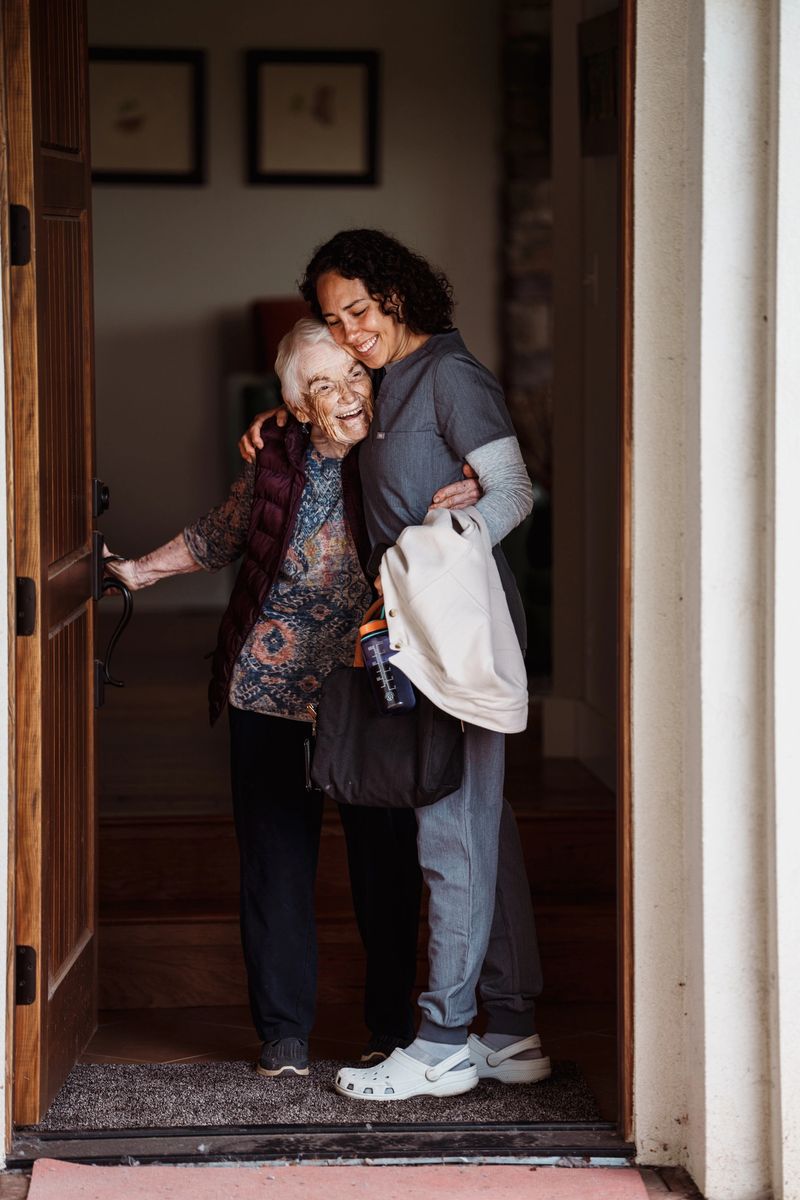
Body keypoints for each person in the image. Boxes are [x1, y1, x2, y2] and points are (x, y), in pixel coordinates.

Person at [106, 318, 480, 1080]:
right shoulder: (279, 461)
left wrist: (481, 488)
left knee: (386, 863)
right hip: (269, 687)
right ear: (297, 408)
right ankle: (282, 1036)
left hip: (374, 692)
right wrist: (138, 572)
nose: (345, 395)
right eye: (321, 386)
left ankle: (387, 1028)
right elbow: (224, 533)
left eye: (354, 376)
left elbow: (488, 494)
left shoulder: (413, 450)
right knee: (275, 864)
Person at [240, 230, 550, 1103]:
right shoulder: (387, 379)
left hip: (455, 628)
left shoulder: (450, 376)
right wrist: (275, 416)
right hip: (412, 632)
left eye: (362, 311)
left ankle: (445, 1039)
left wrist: (455, 536)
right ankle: (512, 1025)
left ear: (400, 295)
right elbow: (334, 424)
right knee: (484, 824)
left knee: (450, 826)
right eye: (336, 320)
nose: (352, 333)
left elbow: (515, 492)